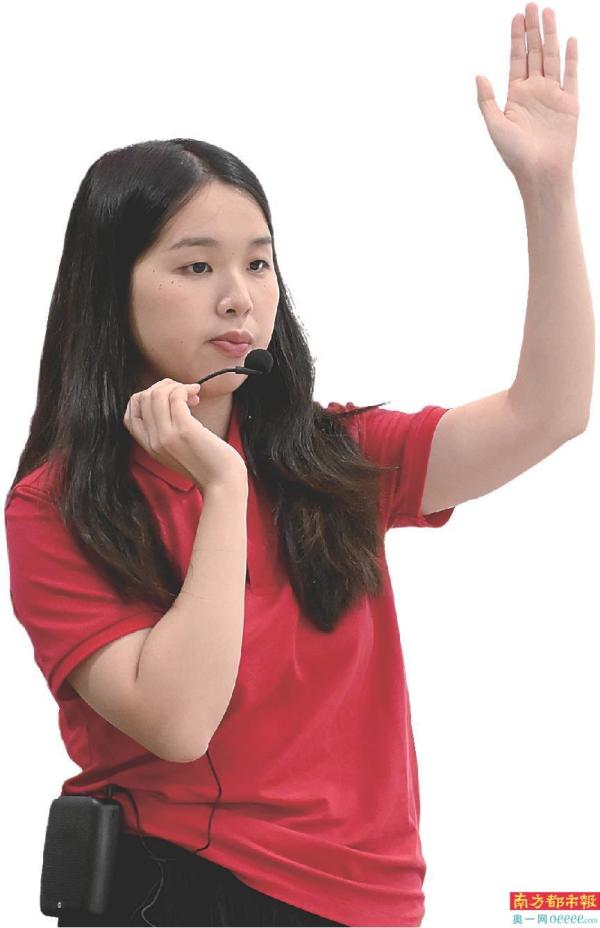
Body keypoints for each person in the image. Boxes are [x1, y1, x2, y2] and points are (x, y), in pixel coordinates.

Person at [4, 137, 457, 928]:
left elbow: (549, 413)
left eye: (257, 263)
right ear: (110, 287)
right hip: (182, 889)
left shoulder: (335, 457)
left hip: (371, 899)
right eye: (196, 266)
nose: (238, 299)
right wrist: (222, 486)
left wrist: (547, 187)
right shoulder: (55, 505)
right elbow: (180, 724)